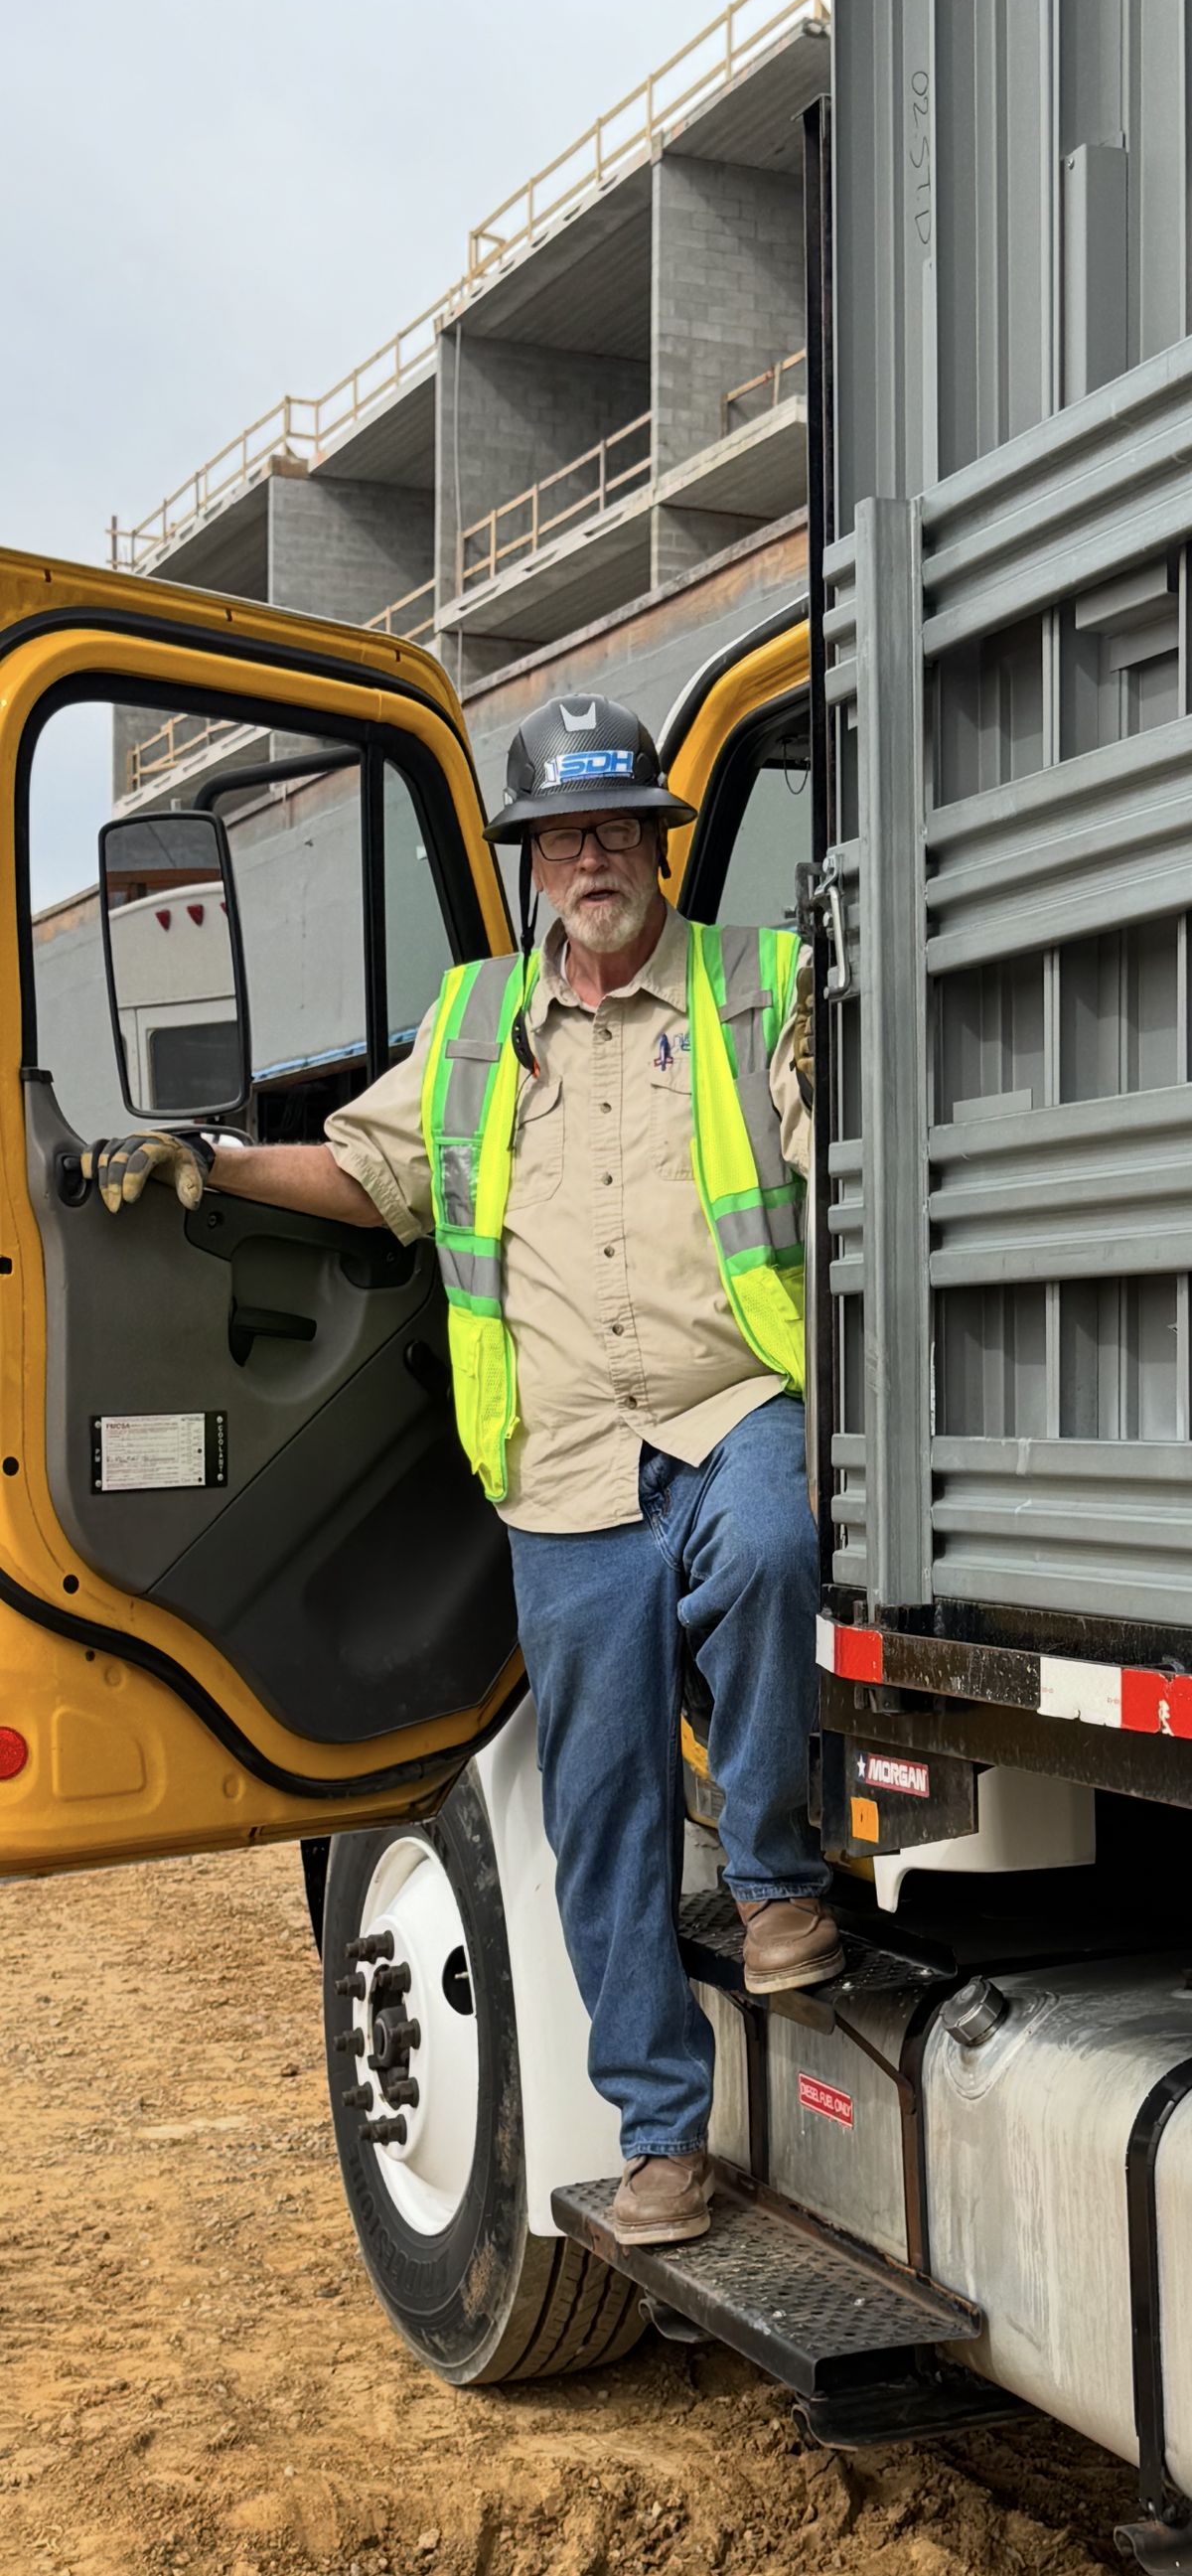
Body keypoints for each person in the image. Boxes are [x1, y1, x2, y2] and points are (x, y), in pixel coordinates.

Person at [86, 693, 839, 2250]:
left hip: (726, 1403)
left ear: (657, 845)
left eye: (620, 829)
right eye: (568, 835)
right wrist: (213, 1163)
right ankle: (659, 2138)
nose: (596, 857)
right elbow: (369, 1171)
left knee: (770, 1547)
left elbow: (835, 1132)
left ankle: (773, 1879)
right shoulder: (476, 1024)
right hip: (562, 1468)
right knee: (606, 1806)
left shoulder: (756, 984)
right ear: (533, 863)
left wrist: (846, 1059)